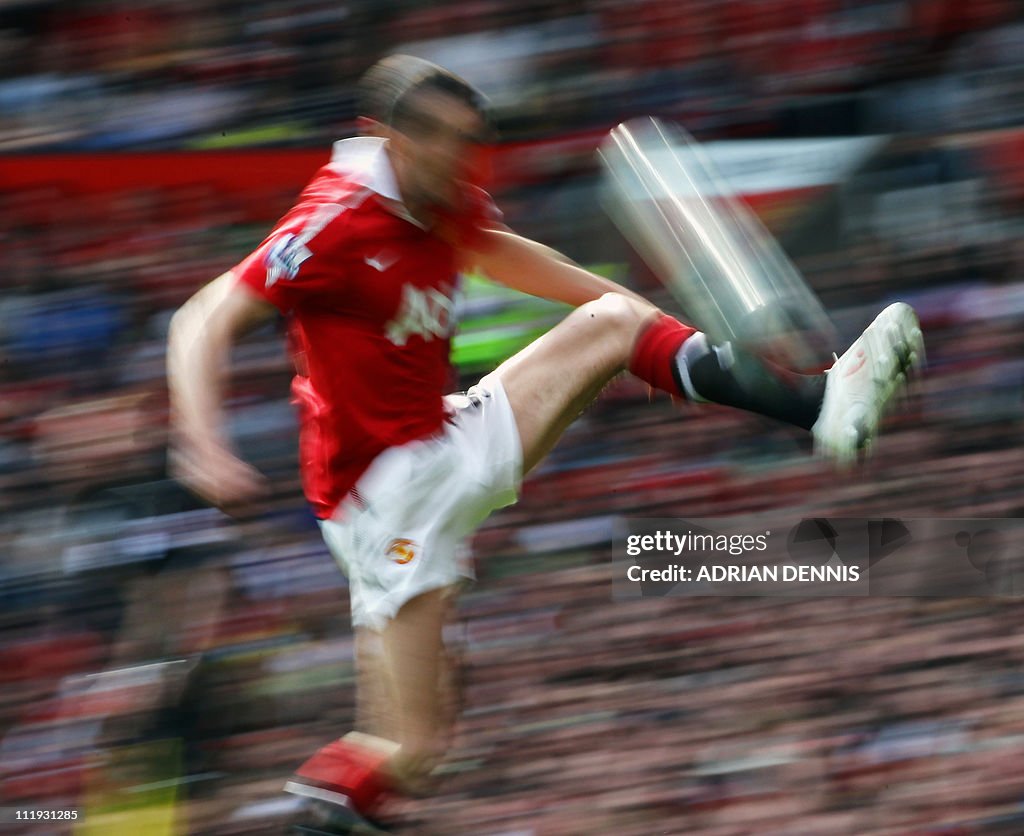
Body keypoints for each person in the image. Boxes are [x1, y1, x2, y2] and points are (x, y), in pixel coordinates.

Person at [166, 55, 923, 831]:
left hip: (428, 448)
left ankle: (326, 813)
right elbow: (204, 316)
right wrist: (201, 442)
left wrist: (651, 327)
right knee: (412, 745)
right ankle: (821, 405)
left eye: (471, 142)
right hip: (390, 490)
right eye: (442, 142)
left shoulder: (441, 199)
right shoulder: (333, 219)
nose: (462, 160)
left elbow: (518, 260)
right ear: (387, 139)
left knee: (410, 750)